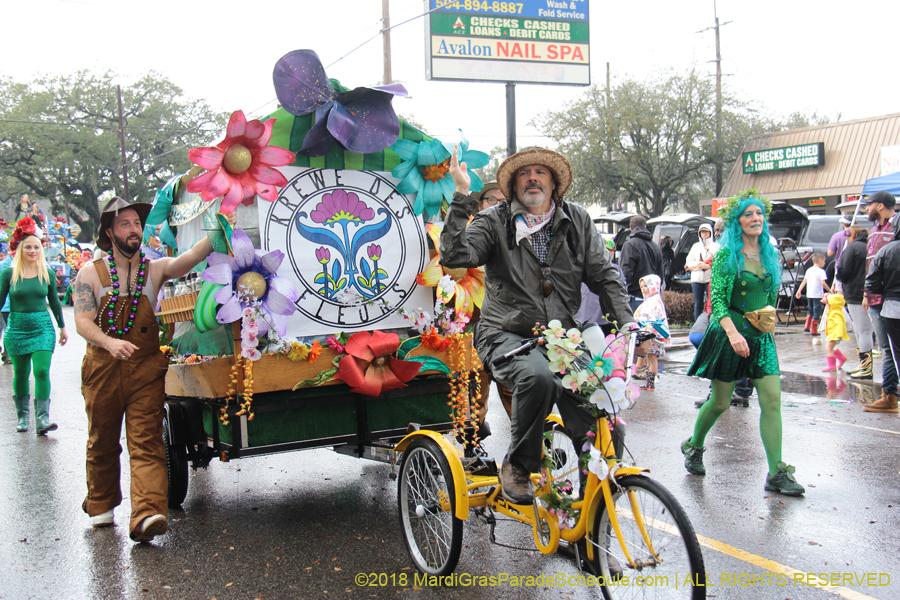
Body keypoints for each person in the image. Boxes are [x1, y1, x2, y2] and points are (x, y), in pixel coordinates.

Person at [440, 146, 634, 504]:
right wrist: (462, 195)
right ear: (514, 185)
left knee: (604, 409)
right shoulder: (494, 220)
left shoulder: (576, 219)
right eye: (524, 173)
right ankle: (517, 465)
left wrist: (628, 324)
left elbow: (604, 275)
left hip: (562, 338)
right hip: (504, 334)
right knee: (539, 377)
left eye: (540, 172)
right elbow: (455, 257)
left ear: (554, 183)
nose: (532, 178)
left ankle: (593, 527)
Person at [73, 197, 236, 542]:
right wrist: (109, 342)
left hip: (145, 369)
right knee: (102, 439)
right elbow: (82, 323)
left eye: (136, 224)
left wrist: (220, 225)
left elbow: (188, 259)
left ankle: (148, 514)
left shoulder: (155, 268)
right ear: (109, 232)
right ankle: (101, 503)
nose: (134, 230)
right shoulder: (89, 274)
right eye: (125, 224)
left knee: (146, 440)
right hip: (102, 368)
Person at [681, 191, 804, 497]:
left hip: (762, 338)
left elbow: (771, 296)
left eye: (759, 214)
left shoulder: (769, 253)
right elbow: (718, 303)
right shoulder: (726, 255)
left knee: (772, 401)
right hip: (730, 334)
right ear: (737, 221)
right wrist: (734, 334)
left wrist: (768, 324)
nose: (755, 219)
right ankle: (694, 447)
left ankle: (776, 472)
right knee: (721, 402)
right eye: (748, 214)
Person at [1, 218, 68, 434]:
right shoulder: (8, 274)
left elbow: (55, 302)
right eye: (28, 247)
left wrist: (62, 327)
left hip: (42, 327)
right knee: (20, 373)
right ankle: (22, 416)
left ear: (41, 249)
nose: (32, 251)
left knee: (41, 371)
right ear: (20, 249)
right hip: (17, 327)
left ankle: (42, 419)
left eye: (36, 247)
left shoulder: (46, 273)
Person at [863, 191, 899, 406]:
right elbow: (871, 267)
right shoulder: (875, 229)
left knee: (889, 349)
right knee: (887, 348)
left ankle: (889, 395)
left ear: (881, 205)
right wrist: (866, 293)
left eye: (870, 204)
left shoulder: (895, 228)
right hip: (875, 298)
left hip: (890, 299)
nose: (867, 209)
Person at [837, 226, 875, 379]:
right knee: (863, 330)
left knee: (862, 331)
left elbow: (843, 270)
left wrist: (841, 279)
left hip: (854, 292)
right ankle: (863, 365)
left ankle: (866, 368)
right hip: (870, 292)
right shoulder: (870, 246)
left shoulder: (852, 248)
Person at [632, 274, 669, 392]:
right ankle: (649, 382)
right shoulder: (652, 300)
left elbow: (651, 318)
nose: (643, 289)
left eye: (646, 286)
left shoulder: (654, 301)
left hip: (652, 335)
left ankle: (650, 383)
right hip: (650, 335)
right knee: (650, 358)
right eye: (642, 286)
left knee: (652, 358)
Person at [619, 215, 663, 311]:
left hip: (635, 297)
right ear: (645, 226)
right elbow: (660, 274)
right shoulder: (656, 246)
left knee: (636, 325)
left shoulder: (629, 245)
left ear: (631, 229)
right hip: (653, 298)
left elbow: (626, 273)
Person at [685, 223, 718, 320]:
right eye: (702, 232)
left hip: (710, 278)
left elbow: (718, 258)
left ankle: (711, 322)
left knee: (711, 302)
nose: (704, 234)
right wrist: (696, 266)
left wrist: (708, 264)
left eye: (706, 231)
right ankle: (697, 323)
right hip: (697, 278)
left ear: (710, 232)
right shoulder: (696, 246)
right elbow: (689, 261)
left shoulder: (716, 246)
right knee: (698, 303)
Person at [795, 253, 830, 335]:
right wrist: (830, 291)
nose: (824, 263)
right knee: (817, 311)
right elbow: (823, 283)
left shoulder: (809, 270)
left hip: (809, 294)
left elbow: (804, 281)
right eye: (824, 261)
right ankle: (814, 329)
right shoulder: (821, 272)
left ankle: (807, 326)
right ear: (820, 260)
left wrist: (799, 290)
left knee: (810, 309)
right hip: (817, 295)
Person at [821, 291, 849, 372]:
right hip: (834, 334)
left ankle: (831, 365)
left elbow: (840, 324)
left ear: (833, 304)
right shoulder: (833, 312)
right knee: (829, 348)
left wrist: (839, 334)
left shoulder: (835, 313)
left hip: (835, 334)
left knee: (828, 348)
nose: (826, 305)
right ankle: (842, 358)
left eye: (827, 304)